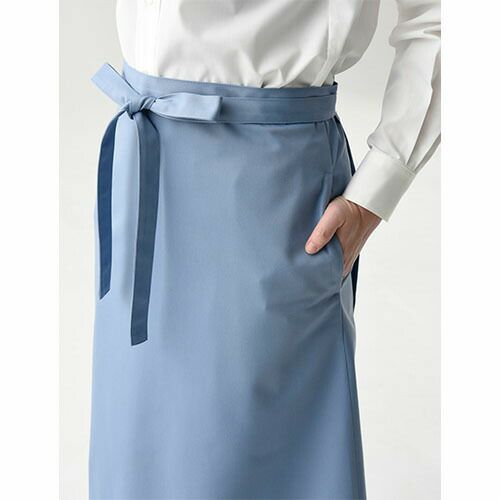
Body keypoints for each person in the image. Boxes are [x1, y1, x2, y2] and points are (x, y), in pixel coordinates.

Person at [89, 1, 440, 498]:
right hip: (144, 162)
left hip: (269, 186)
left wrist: (378, 187)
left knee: (262, 463)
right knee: (137, 461)